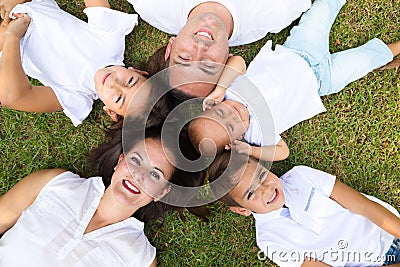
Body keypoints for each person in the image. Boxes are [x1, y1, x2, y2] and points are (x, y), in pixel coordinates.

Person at [188, 0, 400, 160]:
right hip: (324, 81)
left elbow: (239, 62)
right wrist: (251, 151)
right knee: (366, 60)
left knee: (322, 10)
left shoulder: (230, 92)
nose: (234, 115)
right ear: (233, 143)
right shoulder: (258, 134)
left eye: (222, 113)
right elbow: (283, 152)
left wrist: (218, 90)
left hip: (300, 49)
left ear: (211, 106)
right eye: (232, 126)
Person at [0, 124, 205, 266]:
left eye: (154, 174)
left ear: (162, 192)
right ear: (120, 161)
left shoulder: (139, 259)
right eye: (135, 160)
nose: (138, 176)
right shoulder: (55, 183)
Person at [207, 151, 400, 267]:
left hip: (390, 234)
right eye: (251, 194)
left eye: (261, 175)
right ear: (242, 210)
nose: (265, 190)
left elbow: (365, 207)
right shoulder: (269, 241)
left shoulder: (300, 176)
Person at [0, 0, 151, 126]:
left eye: (118, 98)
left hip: (7, 42)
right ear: (137, 71)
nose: (114, 83)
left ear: (110, 111)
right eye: (130, 81)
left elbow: (13, 97)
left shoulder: (78, 98)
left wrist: (12, 36)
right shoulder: (112, 42)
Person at [127, 0, 312, 99]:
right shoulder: (276, 10)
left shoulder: (152, 4)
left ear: (171, 47)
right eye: (207, 64)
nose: (199, 48)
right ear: (227, 60)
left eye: (184, 58)